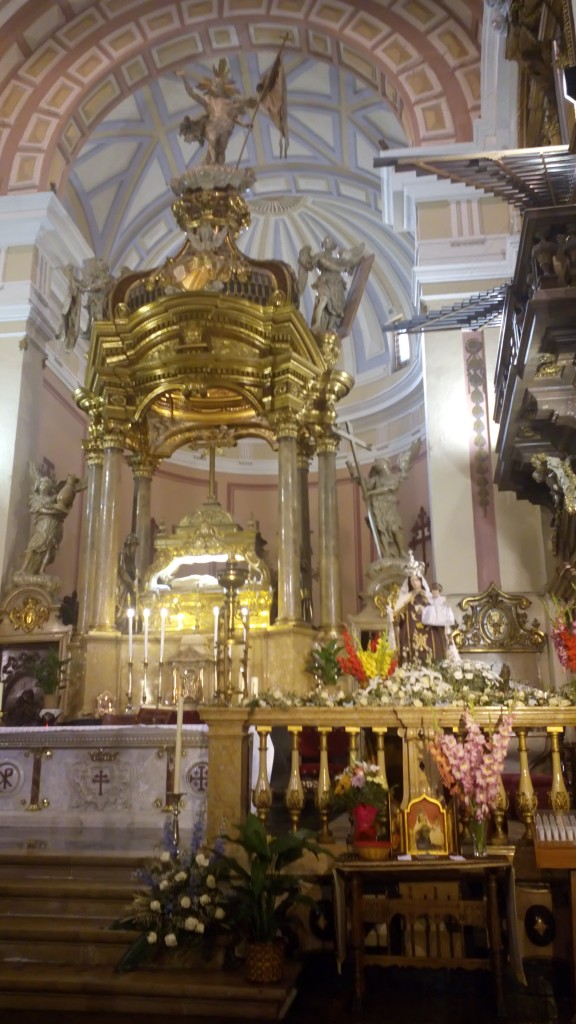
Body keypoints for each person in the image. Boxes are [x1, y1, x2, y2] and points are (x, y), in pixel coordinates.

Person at [348, 439, 421, 560]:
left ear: (386, 464)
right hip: (378, 507)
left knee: (395, 528)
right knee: (382, 529)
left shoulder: (394, 477)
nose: (376, 463)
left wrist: (371, 493)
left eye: (378, 461)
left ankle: (401, 551)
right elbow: (363, 483)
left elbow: (389, 488)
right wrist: (352, 471)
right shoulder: (376, 480)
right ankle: (386, 553)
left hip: (390, 507)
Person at [177, 59, 257, 165]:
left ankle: (219, 166)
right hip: (212, 125)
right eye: (214, 83)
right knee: (212, 142)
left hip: (225, 125)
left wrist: (245, 124)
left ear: (222, 88)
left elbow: (234, 117)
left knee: (222, 148)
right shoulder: (208, 101)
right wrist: (183, 77)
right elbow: (192, 94)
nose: (214, 85)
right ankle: (213, 163)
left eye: (217, 84)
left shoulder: (228, 102)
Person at [20, 466, 86, 576]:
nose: (45, 486)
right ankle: (23, 569)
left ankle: (42, 570)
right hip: (42, 526)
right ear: (38, 487)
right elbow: (40, 509)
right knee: (33, 547)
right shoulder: (36, 499)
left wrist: (71, 486)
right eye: (43, 484)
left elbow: (64, 501)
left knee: (50, 550)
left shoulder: (53, 499)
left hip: (54, 526)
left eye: (47, 484)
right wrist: (53, 511)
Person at [297, 235, 365, 333]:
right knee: (323, 300)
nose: (328, 243)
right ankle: (317, 324)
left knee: (336, 306)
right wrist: (342, 268)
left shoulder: (336, 259)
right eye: (326, 241)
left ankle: (329, 329)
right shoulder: (319, 256)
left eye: (330, 241)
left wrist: (356, 260)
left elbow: (348, 263)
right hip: (325, 281)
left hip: (336, 283)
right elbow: (327, 264)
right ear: (323, 245)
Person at [392, 552, 447, 666]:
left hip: (430, 632)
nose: (415, 583)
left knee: (432, 655)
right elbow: (397, 616)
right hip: (411, 632)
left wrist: (437, 600)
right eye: (412, 581)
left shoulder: (429, 597)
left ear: (421, 581)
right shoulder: (406, 598)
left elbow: (440, 615)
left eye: (417, 580)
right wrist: (399, 616)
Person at [116, 533, 139, 626]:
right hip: (122, 586)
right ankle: (120, 624)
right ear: (129, 546)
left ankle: (127, 626)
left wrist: (138, 580)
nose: (135, 550)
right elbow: (122, 571)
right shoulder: (121, 556)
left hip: (130, 587)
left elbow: (134, 572)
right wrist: (131, 582)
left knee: (131, 606)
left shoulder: (131, 559)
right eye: (134, 547)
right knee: (123, 607)